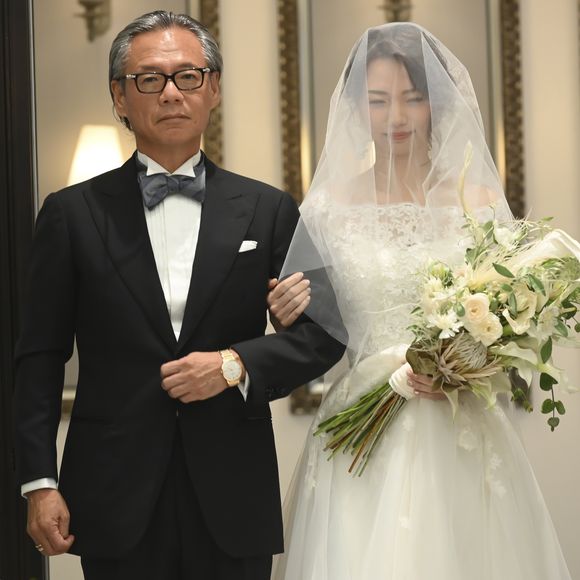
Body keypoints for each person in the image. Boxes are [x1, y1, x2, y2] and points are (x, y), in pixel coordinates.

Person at [13, 10, 344, 580]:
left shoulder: (269, 209)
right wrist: (39, 483)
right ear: (119, 97)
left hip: (232, 492)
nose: (171, 93)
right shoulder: (70, 215)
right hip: (113, 491)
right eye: (149, 79)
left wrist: (235, 364)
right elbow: (38, 359)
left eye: (188, 76)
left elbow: (326, 334)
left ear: (213, 89)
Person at [269, 23, 573, 579]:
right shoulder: (327, 209)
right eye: (378, 100)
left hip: (457, 421)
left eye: (412, 98)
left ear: (437, 104)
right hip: (362, 420)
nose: (396, 117)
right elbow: (311, 324)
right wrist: (283, 308)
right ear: (356, 108)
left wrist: (465, 366)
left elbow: (511, 317)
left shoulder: (477, 201)